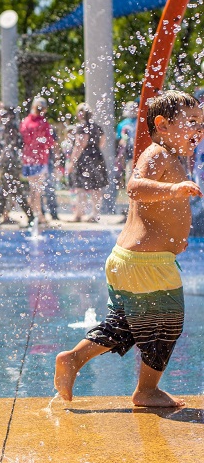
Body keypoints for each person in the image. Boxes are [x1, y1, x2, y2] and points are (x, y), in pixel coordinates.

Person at [54, 90, 204, 408]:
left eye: (201, 124)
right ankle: (146, 390)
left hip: (135, 262)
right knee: (168, 323)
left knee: (126, 323)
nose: (198, 130)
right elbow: (134, 188)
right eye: (191, 122)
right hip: (148, 264)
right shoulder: (158, 153)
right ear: (162, 125)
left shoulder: (173, 156)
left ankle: (73, 359)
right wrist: (174, 189)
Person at [0, 107, 32, 226]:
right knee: (7, 191)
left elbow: (8, 148)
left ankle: (31, 217)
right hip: (12, 163)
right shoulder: (13, 127)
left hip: (10, 164)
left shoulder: (10, 128)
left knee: (13, 191)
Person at [67, 103, 108, 222]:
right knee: (96, 187)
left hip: (84, 159)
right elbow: (102, 142)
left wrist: (71, 162)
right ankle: (95, 214)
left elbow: (80, 145)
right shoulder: (97, 127)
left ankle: (79, 214)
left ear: (80, 114)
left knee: (80, 187)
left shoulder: (81, 127)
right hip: (97, 157)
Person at [20, 97, 56, 225]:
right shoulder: (44, 123)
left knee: (33, 189)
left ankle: (32, 214)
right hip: (40, 159)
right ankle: (38, 215)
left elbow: (23, 139)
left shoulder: (25, 122)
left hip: (28, 159)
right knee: (37, 190)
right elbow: (49, 142)